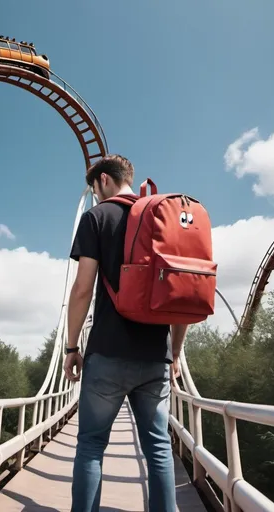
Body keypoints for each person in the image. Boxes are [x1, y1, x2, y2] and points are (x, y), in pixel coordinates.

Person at [64, 154, 188, 512]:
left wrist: (73, 347)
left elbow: (82, 289)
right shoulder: (164, 217)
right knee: (159, 448)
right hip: (154, 357)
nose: (95, 195)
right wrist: (174, 353)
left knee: (90, 445)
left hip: (106, 353)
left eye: (94, 189)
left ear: (102, 180)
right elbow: (182, 295)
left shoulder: (97, 216)